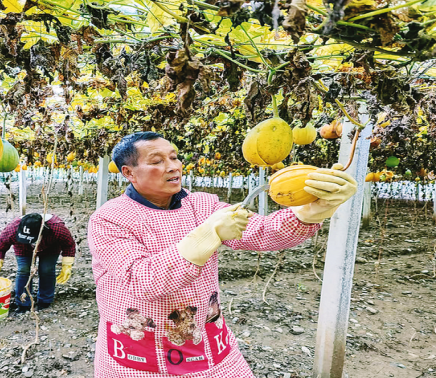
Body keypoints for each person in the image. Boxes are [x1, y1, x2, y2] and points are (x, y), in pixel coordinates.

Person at [88, 132, 357, 377]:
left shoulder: (203, 205)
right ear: (129, 173)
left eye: (174, 157)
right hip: (138, 352)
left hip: (206, 342)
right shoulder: (110, 218)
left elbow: (261, 232)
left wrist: (311, 211)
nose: (172, 166)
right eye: (157, 161)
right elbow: (143, 280)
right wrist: (207, 235)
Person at [0, 213, 76, 313]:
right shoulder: (12, 229)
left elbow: (69, 245)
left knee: (46, 270)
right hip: (23, 248)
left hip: (50, 247)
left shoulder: (56, 228)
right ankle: (23, 303)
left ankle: (45, 301)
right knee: (23, 270)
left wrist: (67, 265)